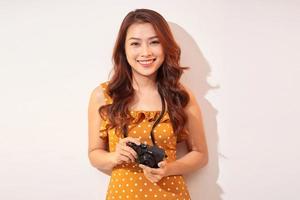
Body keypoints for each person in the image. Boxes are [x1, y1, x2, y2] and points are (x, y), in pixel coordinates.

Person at [88, 8, 208, 200]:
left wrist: (169, 168)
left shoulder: (180, 96)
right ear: (123, 49)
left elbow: (200, 154)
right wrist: (114, 156)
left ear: (165, 46)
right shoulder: (104, 95)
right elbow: (94, 153)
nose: (145, 52)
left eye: (154, 42)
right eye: (135, 44)